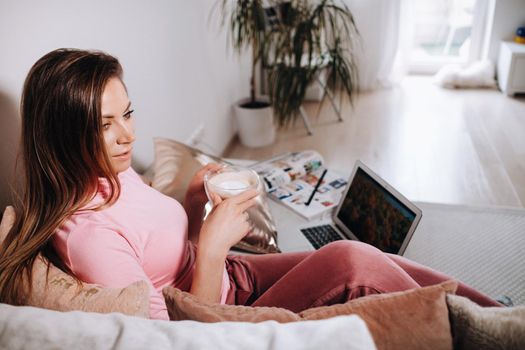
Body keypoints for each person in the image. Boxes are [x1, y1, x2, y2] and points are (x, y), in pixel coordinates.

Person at [0, 49, 500, 320]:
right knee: (352, 262)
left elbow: (166, 252)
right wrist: (215, 246)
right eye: (105, 124)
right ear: (65, 135)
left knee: (354, 251)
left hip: (233, 275)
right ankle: (472, 327)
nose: (128, 134)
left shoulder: (110, 171)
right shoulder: (88, 236)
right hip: (225, 309)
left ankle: (493, 313)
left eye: (127, 113)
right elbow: (178, 334)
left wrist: (194, 204)